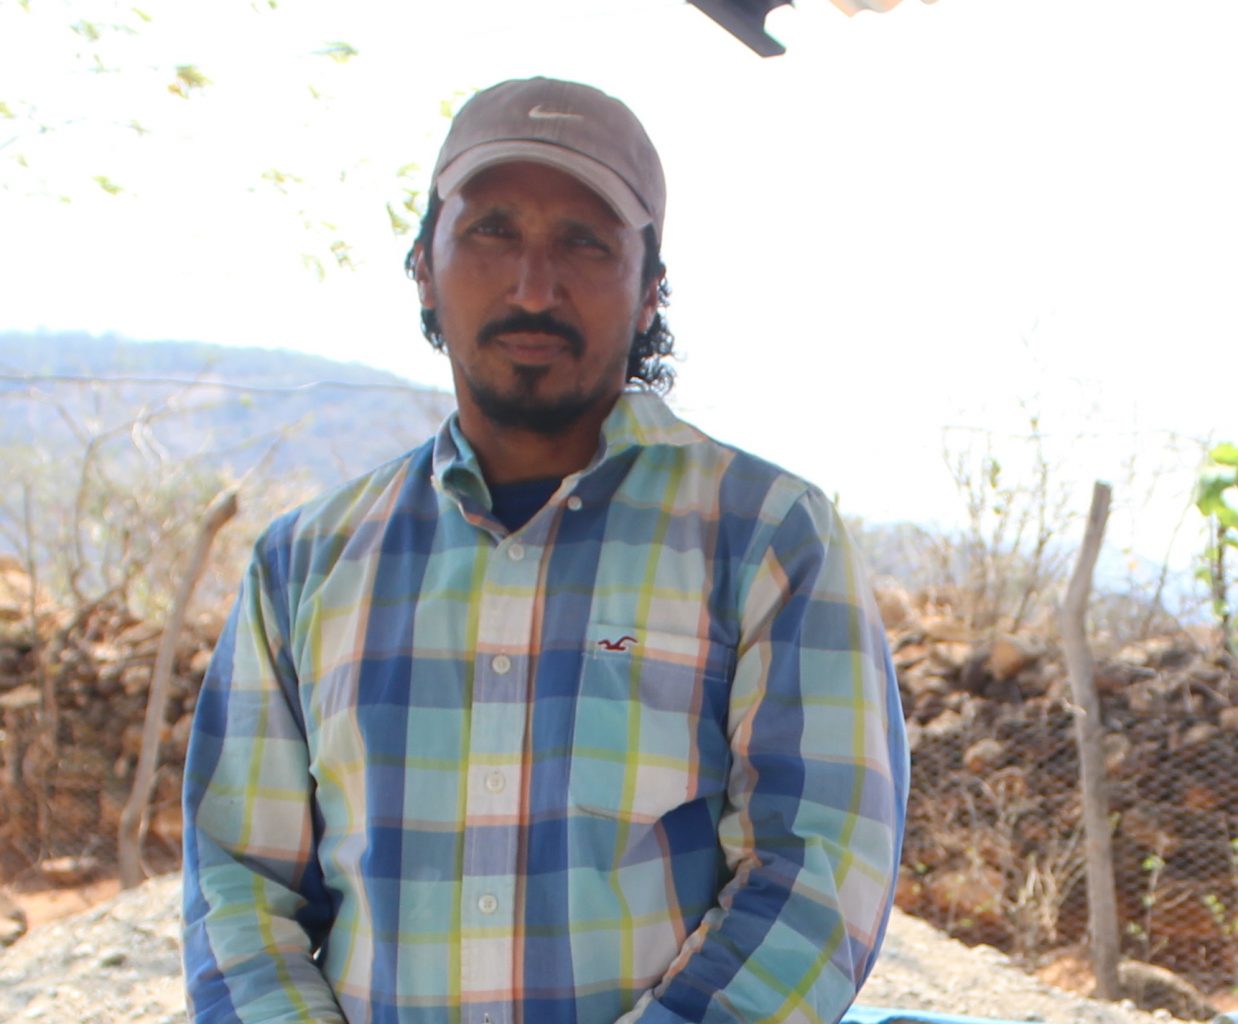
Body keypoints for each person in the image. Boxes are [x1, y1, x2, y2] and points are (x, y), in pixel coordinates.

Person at [183, 76, 908, 1024]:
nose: (533, 286)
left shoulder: (770, 538)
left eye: (585, 241)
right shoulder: (303, 564)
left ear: (649, 292)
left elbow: (817, 880)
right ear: (424, 269)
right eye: (492, 231)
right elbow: (237, 892)